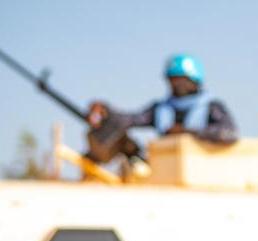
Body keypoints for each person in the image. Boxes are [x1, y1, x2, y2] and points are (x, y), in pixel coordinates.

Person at [86, 54, 237, 163]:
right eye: (172, 79)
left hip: (200, 168)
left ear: (194, 80)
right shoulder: (161, 108)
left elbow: (228, 133)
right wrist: (106, 111)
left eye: (180, 79)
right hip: (164, 167)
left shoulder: (211, 107)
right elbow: (130, 119)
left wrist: (188, 132)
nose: (176, 85)